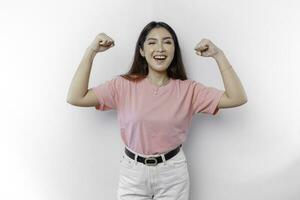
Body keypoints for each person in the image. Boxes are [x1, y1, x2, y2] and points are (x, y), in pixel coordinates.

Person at [66, 21, 247, 200]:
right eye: (152, 42)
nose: (160, 48)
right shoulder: (122, 85)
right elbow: (76, 97)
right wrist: (91, 52)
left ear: (174, 50)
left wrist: (219, 55)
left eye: (167, 42)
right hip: (132, 173)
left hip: (173, 174)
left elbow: (237, 98)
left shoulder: (189, 90)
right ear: (142, 51)